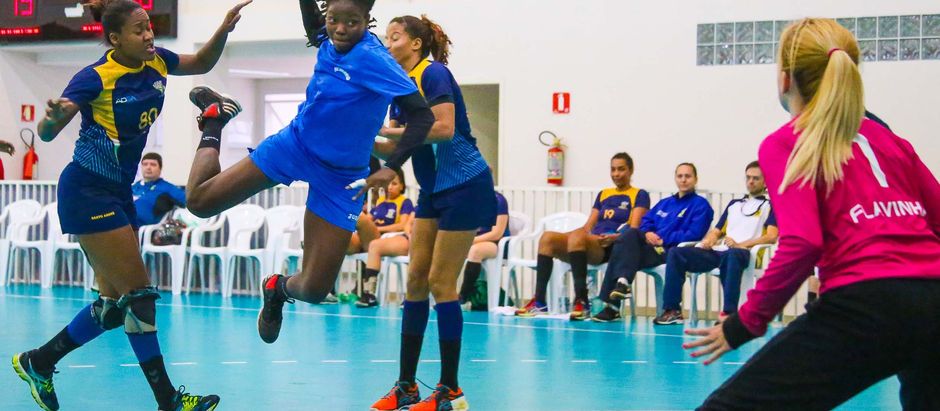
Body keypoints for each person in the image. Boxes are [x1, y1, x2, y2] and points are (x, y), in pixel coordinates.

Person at [684, 18, 940, 410]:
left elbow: (803, 242)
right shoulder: (892, 141)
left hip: (864, 306)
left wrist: (746, 321)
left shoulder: (787, 142)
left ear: (785, 79)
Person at [10, 1, 251, 410]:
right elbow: (50, 132)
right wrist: (49, 118)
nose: (149, 35)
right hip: (87, 191)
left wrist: (223, 29)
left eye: (150, 27)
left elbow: (201, 61)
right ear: (115, 38)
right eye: (139, 30)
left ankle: (39, 361)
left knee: (110, 309)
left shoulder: (157, 63)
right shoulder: (95, 77)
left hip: (118, 191)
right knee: (138, 296)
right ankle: (168, 400)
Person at [184, 0, 434, 346]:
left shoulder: (373, 59)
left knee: (315, 289)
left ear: (367, 21)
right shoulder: (329, 38)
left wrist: (391, 168)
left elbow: (422, 116)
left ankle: (277, 288)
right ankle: (214, 119)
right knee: (198, 202)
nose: (341, 30)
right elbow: (315, 29)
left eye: (352, 22)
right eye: (334, 20)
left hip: (341, 176)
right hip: (295, 145)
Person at [368, 14, 494, 411]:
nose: (388, 44)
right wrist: (359, 139)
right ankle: (407, 386)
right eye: (386, 38)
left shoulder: (433, 73)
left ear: (417, 44)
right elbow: (397, 150)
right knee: (415, 280)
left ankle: (451, 390)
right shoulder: (398, 88)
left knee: (442, 282)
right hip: (433, 190)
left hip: (465, 185)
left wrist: (386, 133)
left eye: (395, 37)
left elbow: (442, 128)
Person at [515, 152, 650, 320]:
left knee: (577, 238)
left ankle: (582, 301)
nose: (616, 174)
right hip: (593, 241)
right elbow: (587, 227)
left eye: (621, 169)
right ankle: (539, 302)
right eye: (613, 169)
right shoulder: (604, 194)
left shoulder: (639, 194)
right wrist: (567, 237)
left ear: (631, 170)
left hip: (614, 245)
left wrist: (614, 237)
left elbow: (634, 229)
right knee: (548, 238)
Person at [653, 161, 778, 325]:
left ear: (765, 181)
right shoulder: (734, 205)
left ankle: (729, 314)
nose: (751, 182)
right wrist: (709, 240)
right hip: (722, 251)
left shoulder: (771, 206)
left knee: (732, 255)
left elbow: (771, 236)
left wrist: (742, 245)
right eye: (748, 178)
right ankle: (672, 310)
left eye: (755, 178)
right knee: (677, 253)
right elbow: (717, 231)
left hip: (744, 253)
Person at [592, 163, 714, 322]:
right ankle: (622, 285)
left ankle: (613, 304)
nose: (683, 180)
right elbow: (645, 221)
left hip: (671, 251)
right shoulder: (665, 203)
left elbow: (694, 233)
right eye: (680, 176)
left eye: (688, 176)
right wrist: (648, 233)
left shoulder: (701, 205)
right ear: (675, 178)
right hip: (649, 247)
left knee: (623, 250)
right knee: (629, 234)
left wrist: (664, 238)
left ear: (695, 179)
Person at [346, 167, 414, 307]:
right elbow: (370, 218)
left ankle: (369, 294)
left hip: (388, 238)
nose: (390, 187)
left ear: (402, 186)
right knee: (344, 239)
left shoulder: (405, 202)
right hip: (372, 237)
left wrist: (378, 228)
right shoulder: (380, 201)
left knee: (362, 223)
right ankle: (328, 290)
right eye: (388, 183)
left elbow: (402, 225)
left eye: (394, 184)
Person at [457, 189, 510, 310]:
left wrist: (471, 241)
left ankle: (463, 297)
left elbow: (497, 233)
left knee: (475, 251)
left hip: (496, 244)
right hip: (472, 241)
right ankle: (444, 296)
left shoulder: (498, 200)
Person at [132, 152, 186, 227]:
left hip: (146, 230)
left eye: (153, 164)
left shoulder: (167, 188)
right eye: (145, 164)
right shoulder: (132, 187)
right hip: (124, 225)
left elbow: (189, 201)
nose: (148, 167)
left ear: (160, 169)